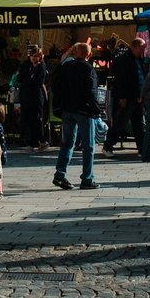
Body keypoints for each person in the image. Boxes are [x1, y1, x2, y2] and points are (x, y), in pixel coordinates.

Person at [50, 40, 101, 190]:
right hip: (84, 111)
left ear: (75, 53)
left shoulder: (66, 67)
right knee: (88, 146)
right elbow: (91, 91)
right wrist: (96, 110)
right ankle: (87, 178)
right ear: (89, 55)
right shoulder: (88, 69)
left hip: (67, 109)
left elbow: (55, 84)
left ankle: (60, 174)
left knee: (67, 143)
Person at [108, 40, 143, 154]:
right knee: (120, 123)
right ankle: (108, 145)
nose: (143, 50)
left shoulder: (138, 59)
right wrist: (122, 97)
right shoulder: (123, 59)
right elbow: (120, 80)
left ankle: (142, 149)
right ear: (134, 47)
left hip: (136, 96)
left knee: (139, 125)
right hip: (127, 97)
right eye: (141, 47)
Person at [17, 46, 48, 148]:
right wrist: (29, 78)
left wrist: (29, 78)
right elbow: (20, 78)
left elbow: (37, 81)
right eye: (32, 56)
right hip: (26, 96)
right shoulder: (26, 65)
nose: (34, 59)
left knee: (35, 120)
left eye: (36, 56)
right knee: (26, 119)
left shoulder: (41, 66)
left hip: (36, 96)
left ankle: (40, 140)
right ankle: (28, 140)